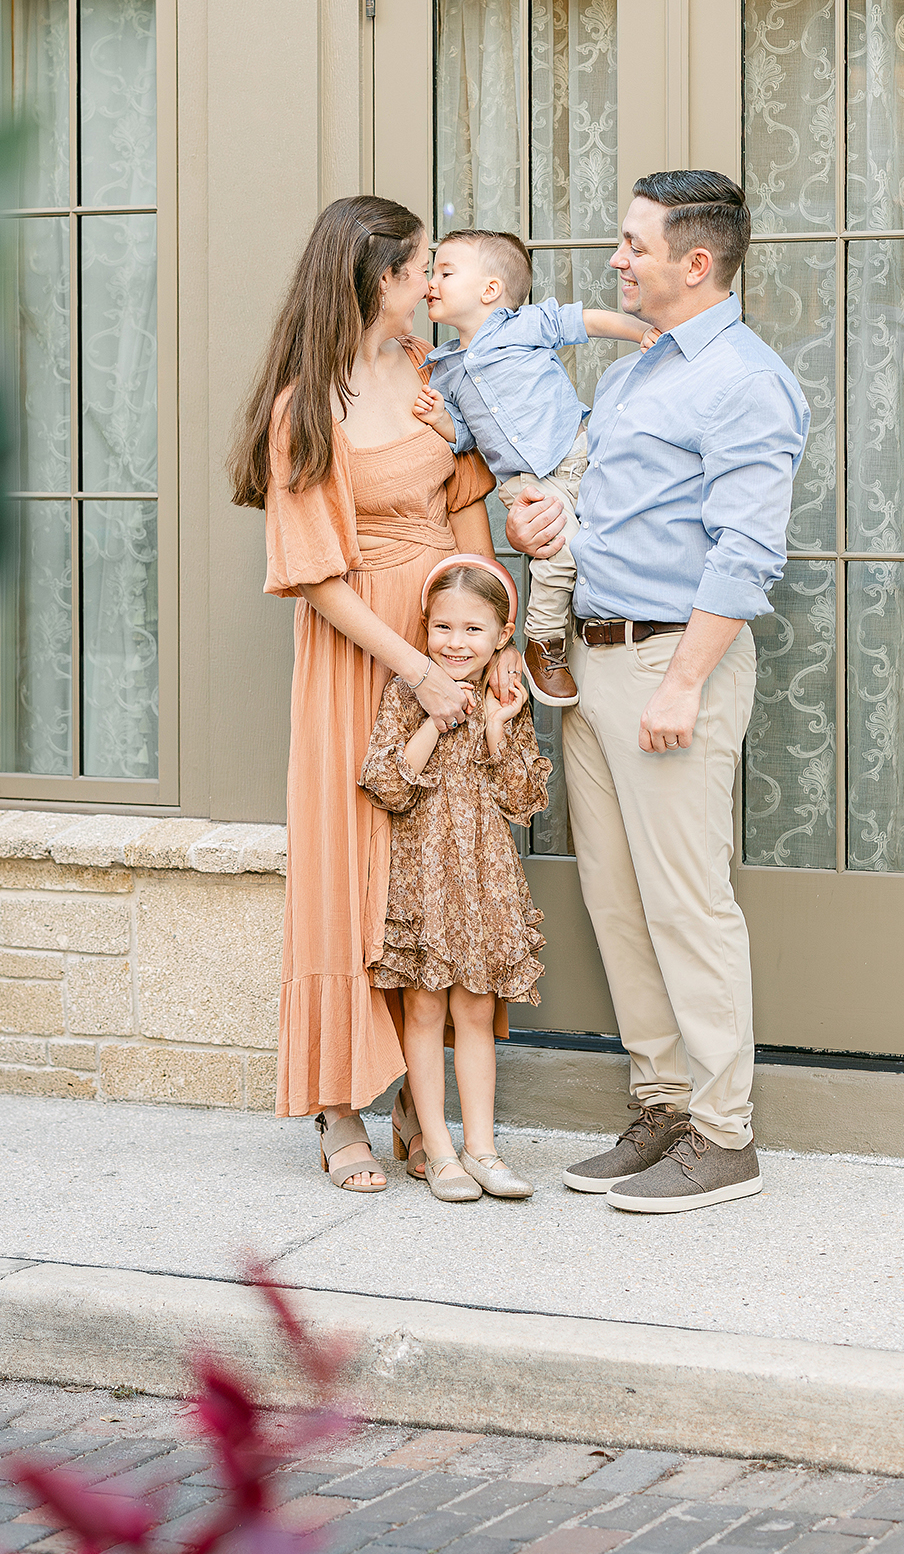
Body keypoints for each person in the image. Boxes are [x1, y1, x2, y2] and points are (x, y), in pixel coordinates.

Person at [505, 170, 809, 1215]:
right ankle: (664, 1105)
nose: (613, 259)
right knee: (617, 904)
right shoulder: (637, 369)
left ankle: (724, 1137)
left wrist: (680, 683)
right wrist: (547, 526)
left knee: (685, 906)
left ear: (695, 260)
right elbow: (601, 499)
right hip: (594, 664)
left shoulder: (743, 380)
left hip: (670, 664)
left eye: (631, 244)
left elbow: (744, 550)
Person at [228, 196, 515, 1193]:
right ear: (374, 280)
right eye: (418, 268)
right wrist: (419, 670)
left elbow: (466, 504)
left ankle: (419, 1096)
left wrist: (498, 644)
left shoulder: (434, 374)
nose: (431, 283)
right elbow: (313, 574)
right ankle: (337, 1103)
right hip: (366, 656)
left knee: (435, 866)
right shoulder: (303, 406)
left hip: (453, 634)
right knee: (354, 870)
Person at [359, 556, 550, 1203]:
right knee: (423, 1008)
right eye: (442, 627)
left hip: (482, 878)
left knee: (474, 1008)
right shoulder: (405, 692)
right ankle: (435, 1149)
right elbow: (384, 785)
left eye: (473, 630)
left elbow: (523, 797)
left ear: (502, 636)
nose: (454, 642)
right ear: (425, 628)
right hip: (420, 877)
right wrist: (433, 722)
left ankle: (482, 1148)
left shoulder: (504, 700)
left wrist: (496, 728)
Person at [413, 227, 655, 708]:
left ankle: (634, 632)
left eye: (444, 271)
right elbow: (466, 436)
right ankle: (544, 641)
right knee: (557, 552)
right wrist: (443, 419)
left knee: (613, 533)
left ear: (489, 290)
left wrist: (642, 332)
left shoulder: (521, 326)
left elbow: (583, 322)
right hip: (524, 482)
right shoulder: (443, 368)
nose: (429, 283)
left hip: (579, 451)